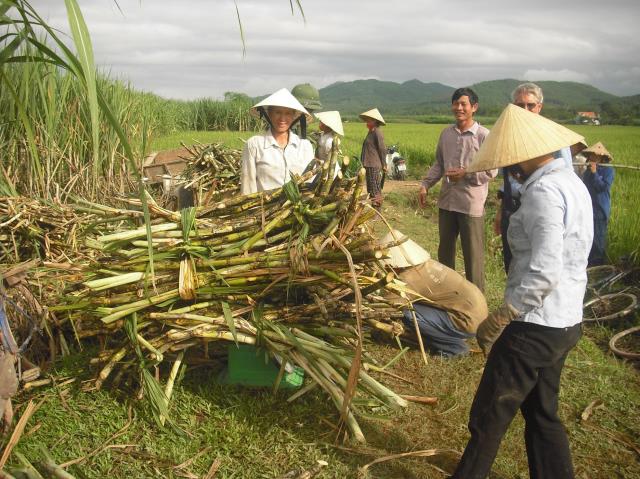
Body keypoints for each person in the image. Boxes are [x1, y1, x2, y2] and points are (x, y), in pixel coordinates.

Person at [450, 104, 593, 479]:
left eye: (511, 158)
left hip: (536, 324)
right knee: (542, 411)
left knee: (489, 413)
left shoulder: (545, 191)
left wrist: (501, 316)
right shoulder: (570, 181)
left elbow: (545, 271)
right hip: (565, 321)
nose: (509, 166)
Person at [418, 88, 496, 292]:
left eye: (463, 104)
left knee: (473, 258)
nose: (459, 108)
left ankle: (476, 303)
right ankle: (447, 296)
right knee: (445, 254)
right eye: (456, 103)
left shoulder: (483, 135)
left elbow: (491, 171)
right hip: (447, 203)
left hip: (470, 205)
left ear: (474, 107)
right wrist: (426, 184)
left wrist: (466, 173)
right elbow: (439, 164)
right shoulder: (446, 134)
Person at [494, 82, 575, 272]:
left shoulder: (553, 136)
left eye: (530, 105)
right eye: (520, 106)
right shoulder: (509, 137)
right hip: (512, 209)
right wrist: (501, 211)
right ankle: (514, 300)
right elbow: (508, 181)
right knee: (512, 263)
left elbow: (567, 178)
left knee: (539, 263)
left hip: (542, 208)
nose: (525, 110)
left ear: (539, 107)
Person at [381, 230, 488, 357]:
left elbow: (389, 306)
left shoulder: (409, 277)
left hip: (467, 320)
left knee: (408, 314)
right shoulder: (426, 264)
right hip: (476, 313)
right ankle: (449, 333)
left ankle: (454, 348)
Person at [240, 88, 315, 195]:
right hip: (265, 209)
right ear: (269, 114)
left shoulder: (305, 146)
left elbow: (310, 182)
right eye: (278, 112)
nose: (282, 118)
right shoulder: (254, 144)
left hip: (298, 208)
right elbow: (248, 184)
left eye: (288, 113)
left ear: (294, 116)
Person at [581, 142, 615, 266]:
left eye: (593, 156)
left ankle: (598, 266)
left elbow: (602, 187)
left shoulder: (608, 170)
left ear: (601, 157)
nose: (591, 158)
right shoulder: (588, 171)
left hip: (600, 209)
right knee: (588, 236)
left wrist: (595, 173)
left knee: (598, 238)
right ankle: (589, 263)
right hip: (588, 208)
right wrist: (591, 171)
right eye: (590, 156)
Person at [359, 108, 387, 207]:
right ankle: (373, 209)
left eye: (369, 120)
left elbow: (382, 149)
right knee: (371, 188)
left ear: (375, 121)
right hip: (368, 164)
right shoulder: (371, 132)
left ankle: (377, 211)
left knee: (375, 188)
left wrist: (384, 164)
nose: (367, 121)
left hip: (374, 164)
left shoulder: (377, 132)